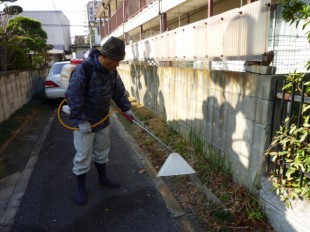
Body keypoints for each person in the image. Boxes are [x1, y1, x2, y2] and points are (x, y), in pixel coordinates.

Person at [66, 37, 135, 205]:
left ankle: (103, 178)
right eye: (115, 61)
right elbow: (73, 97)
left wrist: (126, 108)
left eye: (119, 62)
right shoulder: (84, 69)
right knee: (83, 156)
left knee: (102, 151)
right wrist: (81, 121)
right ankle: (81, 188)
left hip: (102, 120)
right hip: (85, 124)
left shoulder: (112, 71)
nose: (117, 65)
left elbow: (119, 91)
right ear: (104, 56)